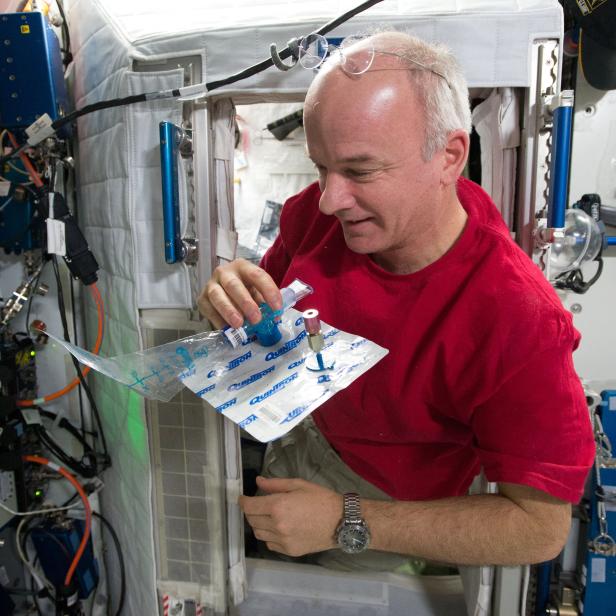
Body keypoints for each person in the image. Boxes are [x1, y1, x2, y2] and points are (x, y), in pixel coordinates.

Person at [198, 31, 595, 569]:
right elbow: (269, 312)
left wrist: (347, 518)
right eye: (321, 167)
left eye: (360, 171)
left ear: (450, 157)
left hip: (389, 502)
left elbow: (538, 528)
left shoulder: (518, 321)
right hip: (306, 432)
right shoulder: (316, 214)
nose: (331, 200)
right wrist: (237, 300)